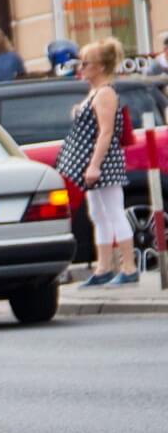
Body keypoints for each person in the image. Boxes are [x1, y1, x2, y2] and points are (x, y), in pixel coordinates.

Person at [66, 39, 138, 286]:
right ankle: (103, 267)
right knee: (98, 214)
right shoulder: (97, 92)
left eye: (85, 63)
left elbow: (107, 132)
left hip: (104, 164)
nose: (81, 68)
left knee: (114, 212)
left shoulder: (105, 93)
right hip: (97, 163)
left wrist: (95, 165)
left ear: (98, 66)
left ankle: (128, 267)